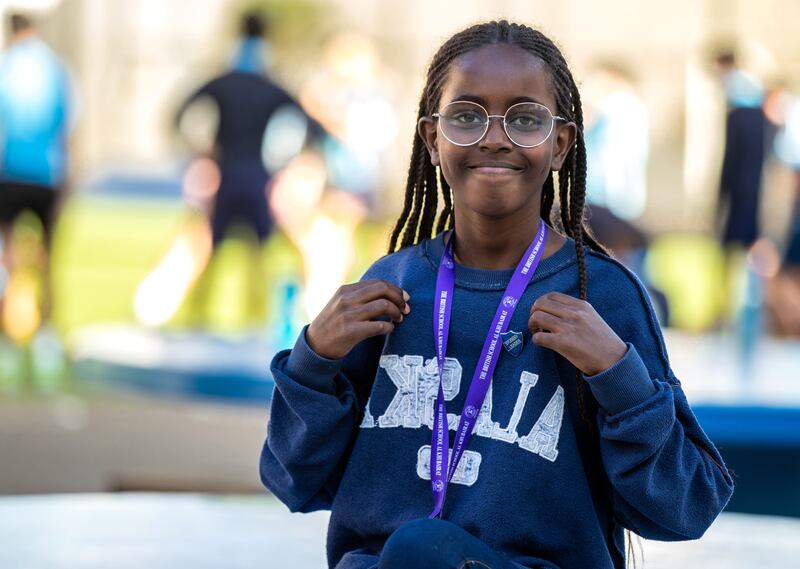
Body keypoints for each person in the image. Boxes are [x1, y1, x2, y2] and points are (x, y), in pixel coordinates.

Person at [259, 21, 733, 569]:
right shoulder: (393, 287)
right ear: (431, 138)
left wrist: (619, 377)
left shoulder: (599, 294)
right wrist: (312, 362)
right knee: (416, 551)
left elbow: (686, 508)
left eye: (525, 119)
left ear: (560, 144)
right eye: (466, 116)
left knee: (421, 549)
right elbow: (293, 482)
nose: (494, 137)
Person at [0, 13, 72, 334]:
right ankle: (47, 325)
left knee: (8, 253)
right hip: (47, 173)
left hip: (10, 172)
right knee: (49, 254)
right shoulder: (54, 67)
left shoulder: (6, 66)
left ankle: (5, 329)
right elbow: (67, 125)